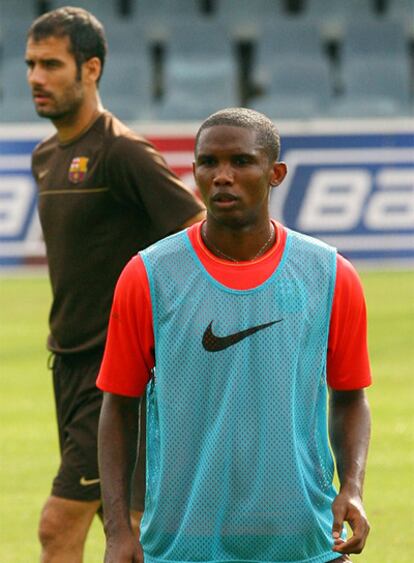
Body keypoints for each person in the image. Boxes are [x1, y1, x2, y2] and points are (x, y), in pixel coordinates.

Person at [97, 107, 371, 563]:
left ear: (275, 173)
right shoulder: (147, 275)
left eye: (241, 162)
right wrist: (116, 532)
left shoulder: (329, 274)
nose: (222, 176)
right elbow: (118, 407)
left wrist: (353, 487)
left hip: (303, 540)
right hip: (185, 542)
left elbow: (350, 397)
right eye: (208, 162)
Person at [25, 7, 204, 563]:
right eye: (30, 64)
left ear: (91, 69)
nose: (36, 77)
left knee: (59, 526)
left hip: (116, 374)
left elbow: (198, 228)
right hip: (70, 367)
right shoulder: (46, 156)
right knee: (128, 527)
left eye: (52, 64)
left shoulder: (122, 151)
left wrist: (160, 327)